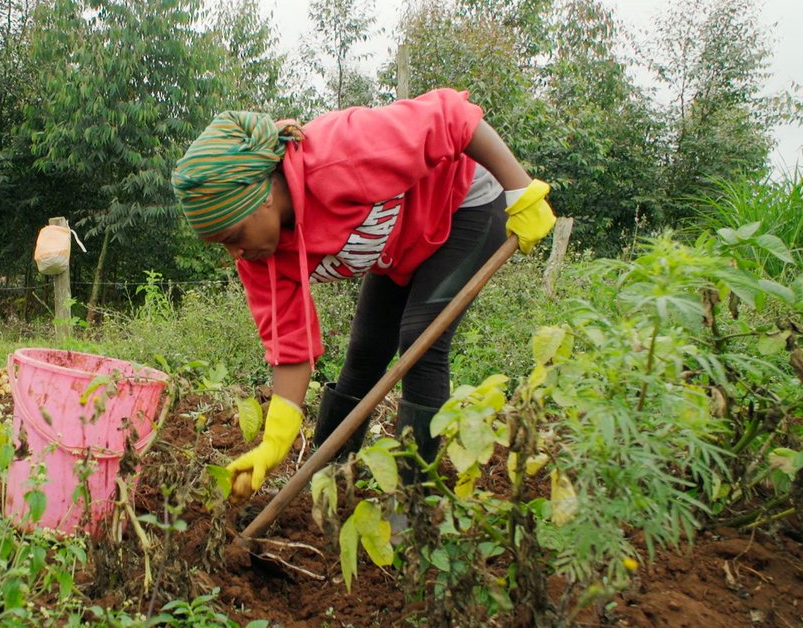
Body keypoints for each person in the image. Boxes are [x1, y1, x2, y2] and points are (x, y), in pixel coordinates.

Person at [170, 89, 556, 493]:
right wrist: (274, 440)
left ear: (262, 197)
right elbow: (290, 343)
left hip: (465, 204)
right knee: (365, 353)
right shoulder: (260, 258)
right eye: (222, 244)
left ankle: (414, 500)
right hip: (402, 247)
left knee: (420, 343)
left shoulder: (342, 152)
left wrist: (521, 190)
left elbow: (454, 116)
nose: (235, 252)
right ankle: (325, 483)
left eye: (233, 235)